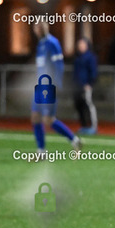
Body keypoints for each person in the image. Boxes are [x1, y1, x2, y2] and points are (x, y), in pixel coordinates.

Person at [32, 22, 81, 155]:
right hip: (40, 85)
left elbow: (59, 65)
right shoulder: (40, 44)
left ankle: (74, 139)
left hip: (49, 86)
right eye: (36, 27)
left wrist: (57, 84)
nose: (38, 29)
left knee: (48, 119)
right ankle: (41, 150)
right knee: (35, 116)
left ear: (45, 28)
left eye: (40, 27)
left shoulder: (52, 43)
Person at [73, 37, 98, 135]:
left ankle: (93, 126)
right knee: (79, 105)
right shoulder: (78, 58)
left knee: (88, 104)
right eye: (79, 44)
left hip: (86, 85)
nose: (80, 46)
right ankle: (84, 125)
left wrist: (90, 83)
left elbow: (93, 71)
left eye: (82, 44)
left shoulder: (90, 57)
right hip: (78, 85)